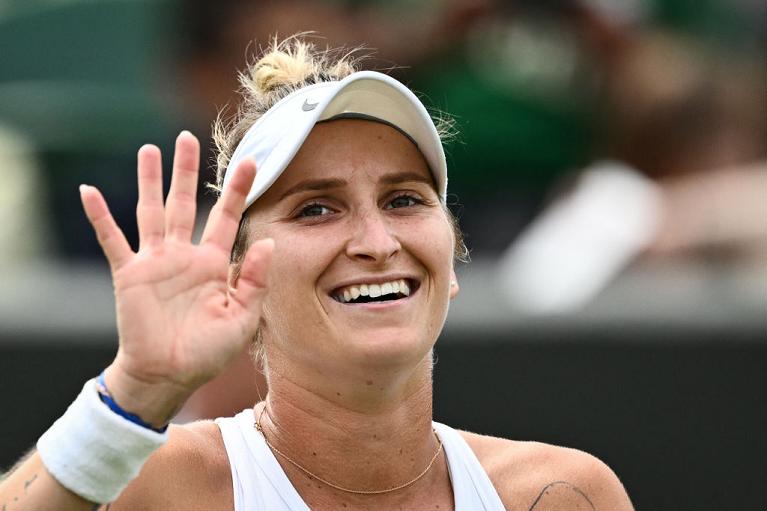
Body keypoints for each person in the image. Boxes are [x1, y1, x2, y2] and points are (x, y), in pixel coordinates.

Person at [0, 37, 633, 510]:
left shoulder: (562, 495)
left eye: (404, 200)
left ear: (453, 255)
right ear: (236, 278)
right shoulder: (160, 490)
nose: (377, 242)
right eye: (317, 208)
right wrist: (133, 392)